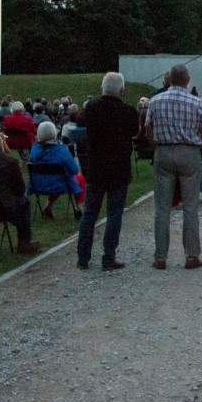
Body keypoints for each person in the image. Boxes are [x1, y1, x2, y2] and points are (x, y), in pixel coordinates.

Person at [145, 64, 202, 270]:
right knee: (190, 207)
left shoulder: (155, 101)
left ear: (169, 79)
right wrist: (199, 145)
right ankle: (191, 255)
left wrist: (156, 145)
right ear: (187, 81)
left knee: (162, 208)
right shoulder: (196, 102)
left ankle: (160, 257)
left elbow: (148, 128)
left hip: (163, 151)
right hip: (189, 153)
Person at [77, 72, 140, 270]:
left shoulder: (91, 109)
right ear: (121, 90)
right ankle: (108, 257)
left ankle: (83, 257)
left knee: (90, 214)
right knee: (114, 214)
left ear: (103, 88)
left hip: (96, 168)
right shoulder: (128, 112)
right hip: (119, 169)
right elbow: (134, 132)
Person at [29, 121, 83, 220]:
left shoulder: (34, 148)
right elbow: (74, 170)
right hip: (59, 185)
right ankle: (79, 208)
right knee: (79, 178)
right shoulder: (61, 150)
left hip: (38, 185)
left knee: (56, 179)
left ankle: (49, 206)